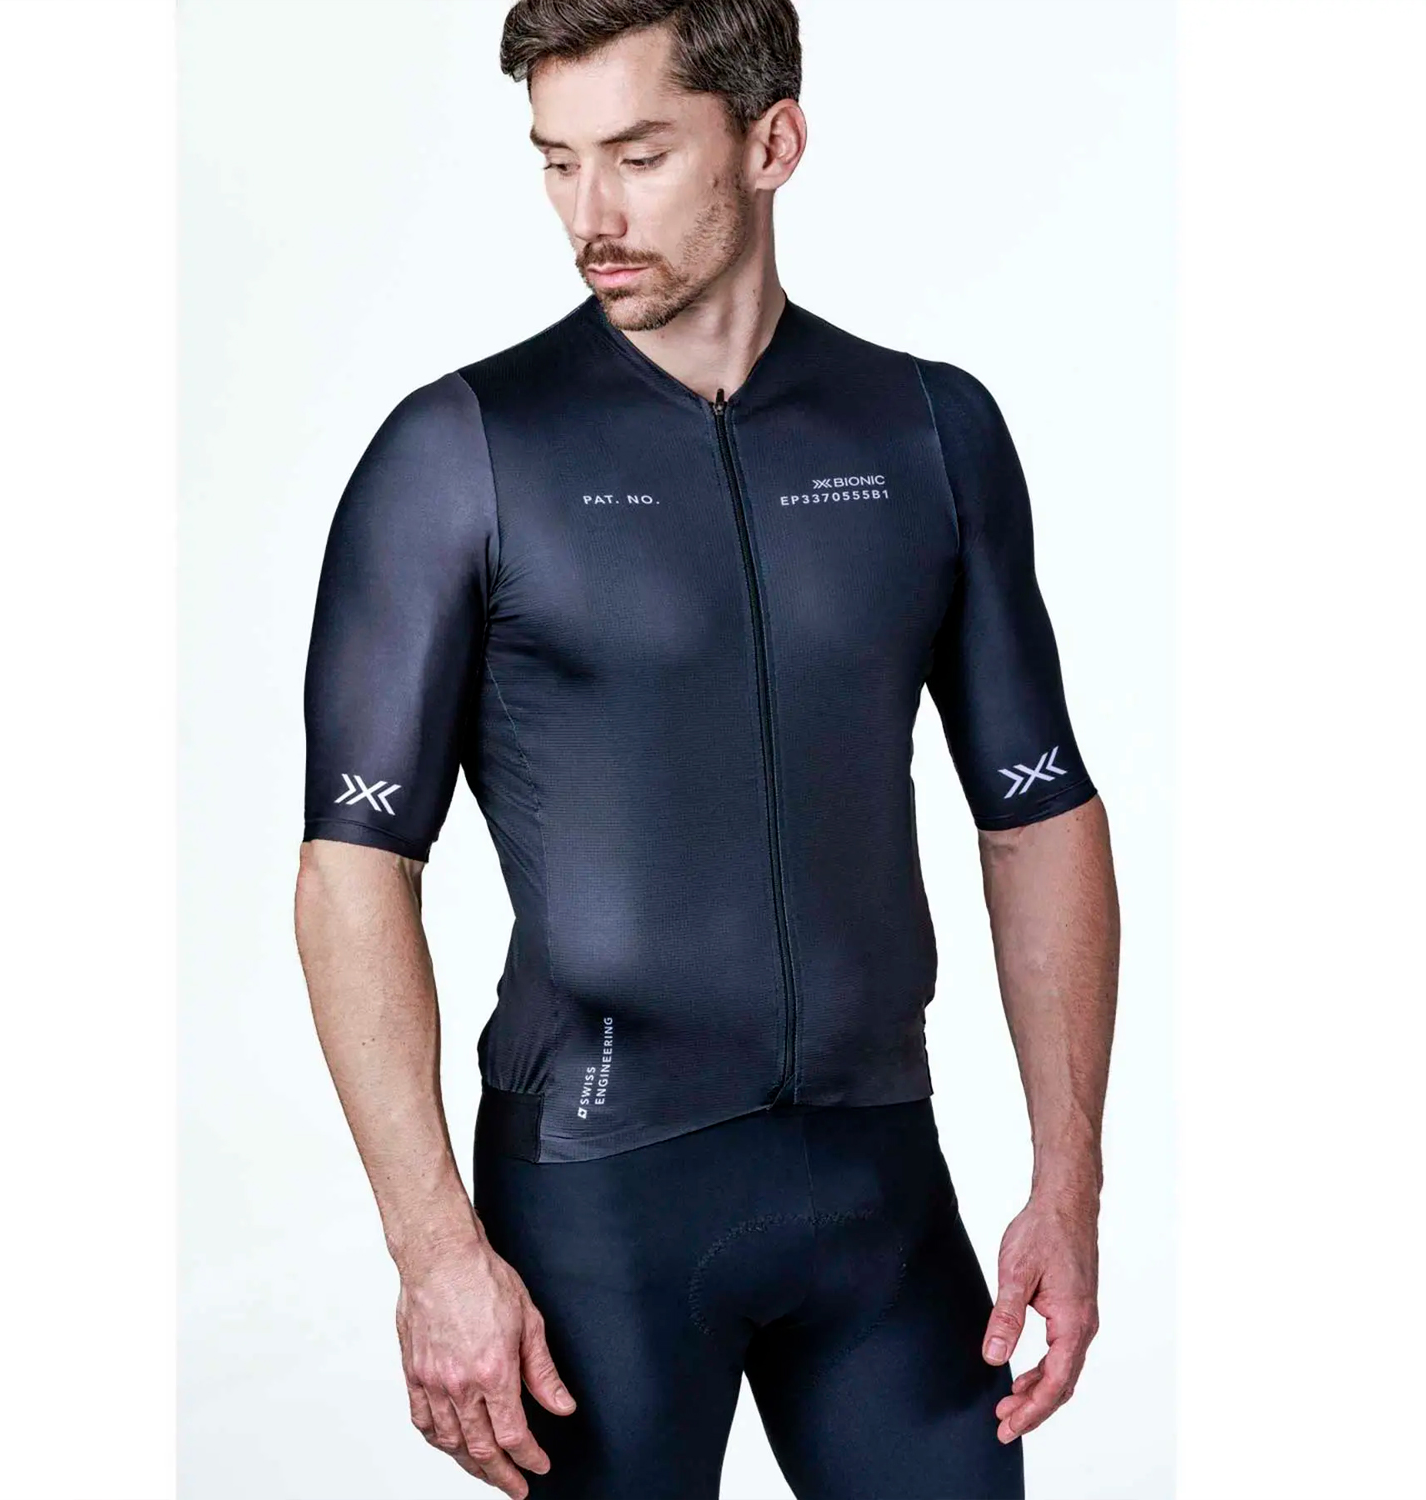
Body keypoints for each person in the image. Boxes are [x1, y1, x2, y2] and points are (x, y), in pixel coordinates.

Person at [294, 1, 1120, 1496]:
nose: (590, 217)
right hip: (596, 1208)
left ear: (772, 141)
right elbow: (355, 868)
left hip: (880, 1189)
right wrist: (435, 1255)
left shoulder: (929, 433)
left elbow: (1036, 814)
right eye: (557, 161)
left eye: (638, 156)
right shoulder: (465, 454)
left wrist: (1069, 1181)